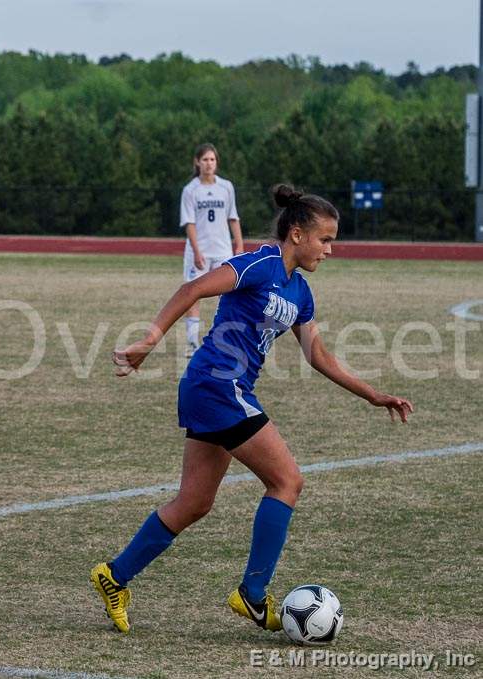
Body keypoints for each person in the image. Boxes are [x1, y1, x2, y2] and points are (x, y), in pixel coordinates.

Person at [90, 185, 413, 634]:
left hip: (218, 390)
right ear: (296, 234)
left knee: (195, 502)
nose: (330, 250)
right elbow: (193, 289)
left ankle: (114, 576)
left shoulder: (300, 292)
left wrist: (372, 394)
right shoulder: (259, 264)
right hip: (218, 385)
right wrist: (150, 339)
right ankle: (253, 595)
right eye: (325, 239)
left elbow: (318, 356)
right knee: (287, 480)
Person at [180, 143, 244, 357]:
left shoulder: (226, 187)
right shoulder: (191, 190)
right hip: (199, 252)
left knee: (226, 296)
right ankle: (191, 343)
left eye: (212, 160)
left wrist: (239, 244)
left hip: (223, 250)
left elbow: (233, 217)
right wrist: (197, 251)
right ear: (197, 162)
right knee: (192, 294)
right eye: (205, 159)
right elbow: (189, 223)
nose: (209, 164)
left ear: (217, 162)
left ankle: (223, 339)